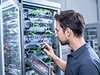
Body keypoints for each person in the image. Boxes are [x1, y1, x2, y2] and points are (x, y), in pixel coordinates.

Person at [43, 10, 100, 75]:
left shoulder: (88, 64)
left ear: (68, 32)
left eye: (57, 30)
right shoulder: (79, 52)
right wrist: (53, 56)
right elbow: (72, 70)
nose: (56, 35)